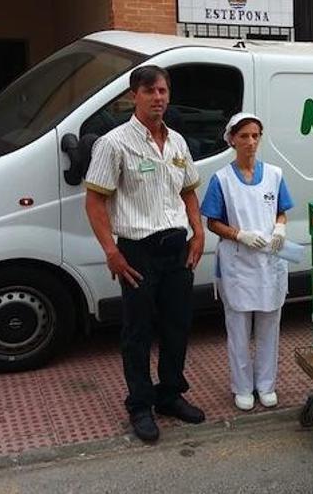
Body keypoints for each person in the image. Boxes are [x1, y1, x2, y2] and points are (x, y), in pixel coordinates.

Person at [84, 65, 206, 442]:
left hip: (177, 249)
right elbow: (94, 202)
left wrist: (198, 231)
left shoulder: (178, 143)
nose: (159, 98)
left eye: (164, 91)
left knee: (177, 326)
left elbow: (188, 191)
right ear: (133, 95)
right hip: (136, 252)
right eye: (150, 91)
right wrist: (111, 252)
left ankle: (169, 395)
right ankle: (140, 404)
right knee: (137, 332)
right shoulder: (114, 143)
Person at [200, 113, 294, 411]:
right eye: (244, 136)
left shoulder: (275, 175)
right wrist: (239, 234)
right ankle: (242, 387)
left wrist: (280, 228)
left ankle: (266, 385)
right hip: (238, 264)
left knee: (269, 326)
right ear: (232, 140)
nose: (251, 142)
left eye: (255, 136)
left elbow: (282, 210)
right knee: (238, 329)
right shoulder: (222, 180)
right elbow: (212, 222)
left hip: (270, 263)